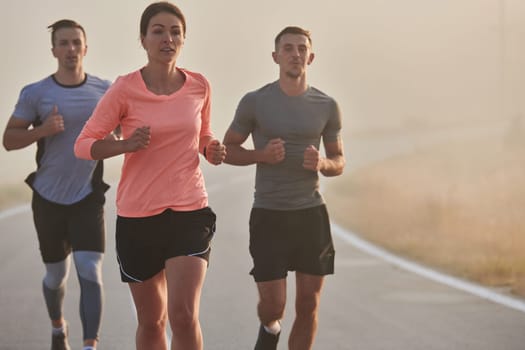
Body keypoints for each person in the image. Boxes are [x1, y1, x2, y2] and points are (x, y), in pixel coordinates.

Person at [74, 2, 226, 350]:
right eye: (158, 31)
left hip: (189, 210)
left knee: (184, 315)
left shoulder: (199, 86)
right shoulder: (124, 89)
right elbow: (83, 145)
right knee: (152, 321)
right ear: (143, 39)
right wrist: (125, 145)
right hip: (138, 216)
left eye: (175, 32)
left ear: (183, 39)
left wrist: (211, 149)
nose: (167, 38)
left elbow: (203, 135)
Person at [222, 26, 345, 350]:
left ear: (311, 56)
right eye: (288, 48)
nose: (295, 54)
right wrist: (261, 155)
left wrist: (322, 163)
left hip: (310, 213)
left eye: (301, 48)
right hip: (269, 214)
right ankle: (270, 328)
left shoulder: (326, 105)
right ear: (276, 57)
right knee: (274, 305)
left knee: (308, 305)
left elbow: (339, 159)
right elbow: (227, 149)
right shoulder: (255, 102)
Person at [2, 19, 111, 350]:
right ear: (53, 51)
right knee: (56, 276)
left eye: (76, 42)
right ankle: (57, 326)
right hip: (48, 197)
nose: (71, 49)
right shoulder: (35, 93)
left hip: (87, 195)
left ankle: (90, 345)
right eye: (63, 43)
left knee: (90, 269)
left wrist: (118, 136)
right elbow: (8, 140)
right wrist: (41, 131)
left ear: (86, 48)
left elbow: (123, 127)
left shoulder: (105, 91)